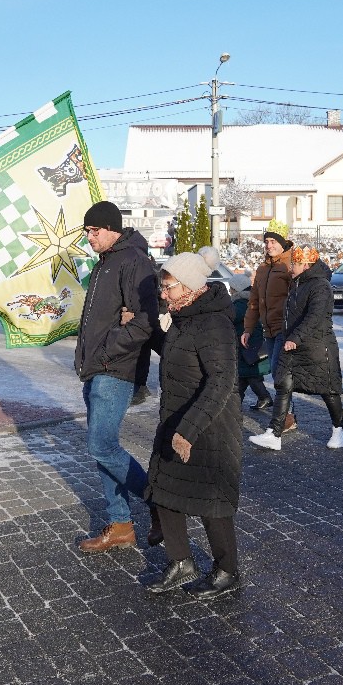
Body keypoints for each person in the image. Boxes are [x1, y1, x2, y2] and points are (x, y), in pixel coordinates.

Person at [144, 253, 243, 599]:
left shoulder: (213, 324)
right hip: (177, 417)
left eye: (168, 287)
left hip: (209, 424)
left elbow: (222, 380)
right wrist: (149, 330)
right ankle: (180, 561)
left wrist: (189, 429)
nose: (163, 293)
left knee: (211, 499)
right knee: (164, 491)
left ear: (188, 287)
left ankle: (227, 570)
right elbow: (179, 353)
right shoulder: (184, 317)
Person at [73, 201, 160, 554]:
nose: (90, 237)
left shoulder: (134, 261)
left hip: (115, 368)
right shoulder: (105, 263)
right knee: (101, 448)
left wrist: (109, 348)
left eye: (94, 231)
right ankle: (121, 524)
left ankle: (159, 500)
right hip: (96, 367)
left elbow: (145, 320)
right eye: (87, 232)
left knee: (102, 445)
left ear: (112, 229)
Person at [249, 246, 343, 451]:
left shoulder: (321, 286)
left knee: (327, 390)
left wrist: (296, 337)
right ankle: (274, 434)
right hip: (292, 344)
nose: (290, 267)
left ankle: (340, 429)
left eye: (293, 264)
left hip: (318, 347)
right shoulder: (297, 283)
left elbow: (316, 316)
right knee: (282, 385)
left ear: (305, 265)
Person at [242, 220, 296, 430]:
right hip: (269, 329)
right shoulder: (263, 268)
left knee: (279, 373)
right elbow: (254, 301)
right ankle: (288, 415)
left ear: (283, 243)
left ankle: (286, 417)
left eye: (273, 241)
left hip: (285, 328)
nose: (269, 245)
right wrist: (248, 328)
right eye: (266, 241)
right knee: (278, 374)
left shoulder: (290, 265)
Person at [230, 272, 272, 410]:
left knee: (250, 375)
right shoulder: (251, 300)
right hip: (250, 345)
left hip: (248, 346)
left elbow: (231, 317)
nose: (230, 291)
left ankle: (264, 397)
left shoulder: (241, 304)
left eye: (231, 288)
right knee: (246, 376)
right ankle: (237, 404)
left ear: (237, 289)